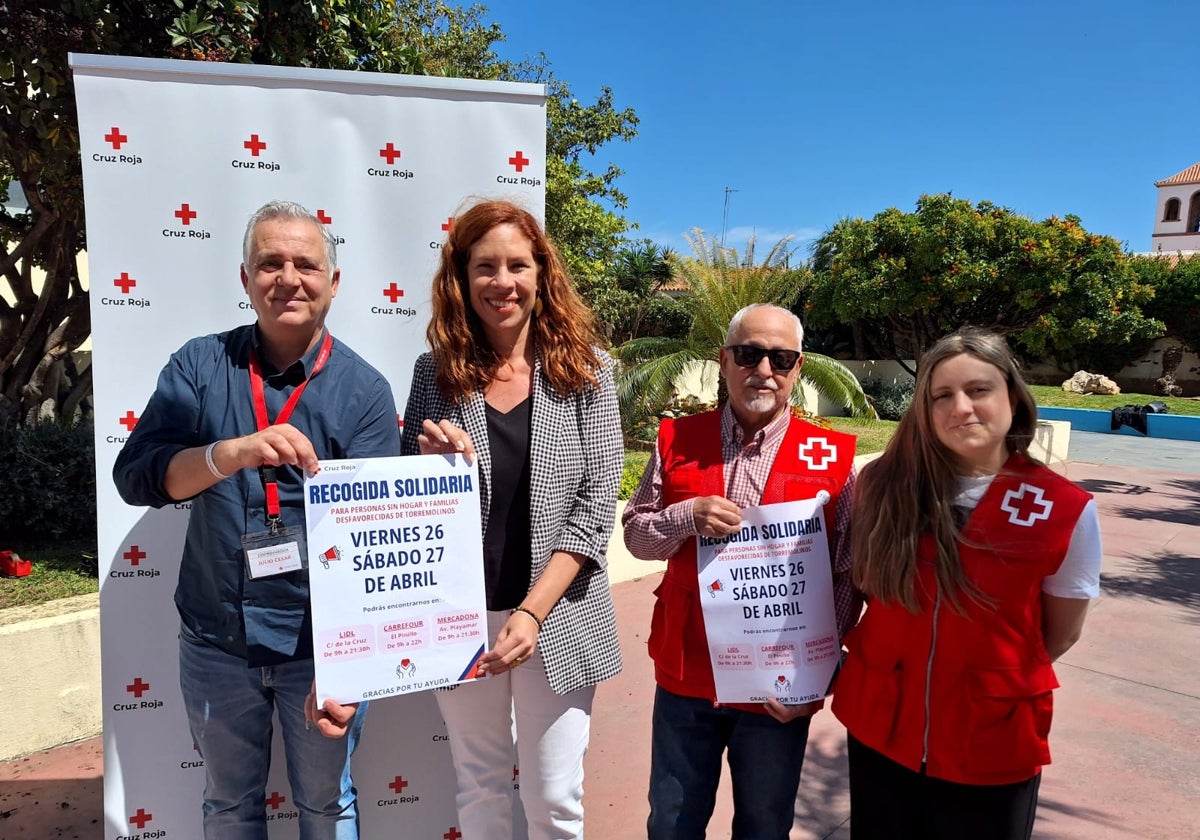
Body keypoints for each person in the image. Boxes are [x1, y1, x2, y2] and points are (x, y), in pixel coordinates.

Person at [113, 200, 400, 839]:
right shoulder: (199, 365)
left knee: (330, 805)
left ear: (333, 281)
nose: (288, 278)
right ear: (246, 279)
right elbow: (137, 476)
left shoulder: (365, 392)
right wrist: (227, 454)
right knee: (227, 806)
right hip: (217, 639)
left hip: (317, 647)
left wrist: (348, 665)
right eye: (270, 262)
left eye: (306, 263)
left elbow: (377, 538)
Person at [402, 199, 623, 839]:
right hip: (461, 616)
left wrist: (530, 612)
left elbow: (592, 509)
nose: (503, 282)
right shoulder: (434, 375)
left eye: (517, 265)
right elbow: (405, 504)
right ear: (461, 278)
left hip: (558, 614)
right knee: (480, 788)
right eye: (485, 267)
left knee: (556, 800)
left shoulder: (588, 372)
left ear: (541, 273)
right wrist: (435, 467)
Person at [831, 327, 1103, 840]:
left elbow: (1059, 633)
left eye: (979, 389)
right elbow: (865, 584)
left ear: (1012, 397)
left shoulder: (1065, 509)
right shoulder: (882, 487)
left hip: (991, 740)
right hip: (880, 727)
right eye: (942, 396)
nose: (962, 408)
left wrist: (977, 676)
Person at [622, 303, 859, 840]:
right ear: (724, 360)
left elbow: (846, 572)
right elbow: (636, 538)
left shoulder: (833, 456)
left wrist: (817, 671)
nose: (764, 370)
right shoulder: (676, 440)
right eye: (749, 354)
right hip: (688, 673)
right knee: (672, 823)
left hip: (779, 684)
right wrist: (686, 515)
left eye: (781, 358)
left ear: (798, 367)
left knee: (765, 826)